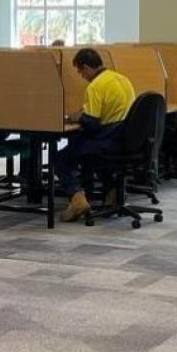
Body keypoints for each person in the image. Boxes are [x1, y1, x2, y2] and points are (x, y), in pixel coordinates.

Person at [55, 48, 136, 222]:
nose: (81, 76)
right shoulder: (122, 79)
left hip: (108, 139)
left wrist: (77, 117)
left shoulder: (95, 86)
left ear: (86, 67)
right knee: (86, 150)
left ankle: (77, 200)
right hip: (125, 138)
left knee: (61, 157)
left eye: (80, 71)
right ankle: (112, 190)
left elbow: (92, 124)